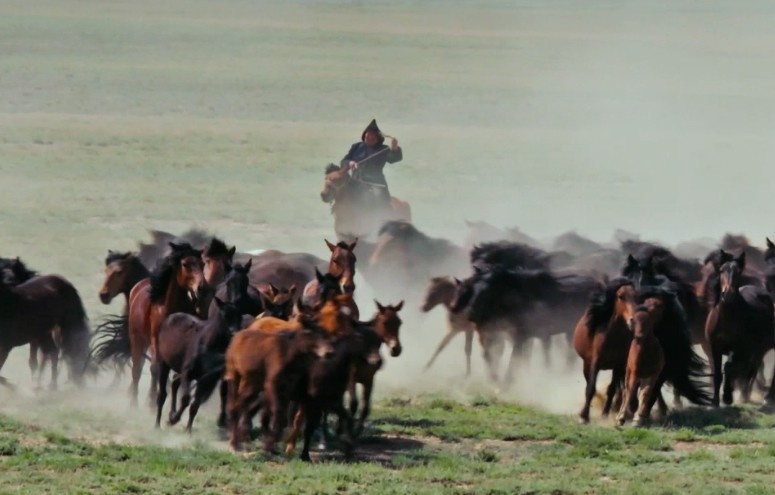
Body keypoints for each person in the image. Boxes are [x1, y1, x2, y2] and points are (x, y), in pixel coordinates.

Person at [340, 119, 402, 208]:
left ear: (378, 139)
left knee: (380, 199)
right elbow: (344, 161)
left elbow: (393, 159)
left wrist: (395, 148)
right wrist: (350, 163)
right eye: (367, 136)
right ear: (364, 135)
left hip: (375, 183)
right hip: (355, 182)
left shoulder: (383, 149)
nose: (369, 138)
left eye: (372, 137)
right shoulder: (356, 147)